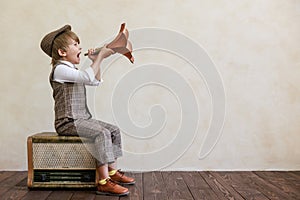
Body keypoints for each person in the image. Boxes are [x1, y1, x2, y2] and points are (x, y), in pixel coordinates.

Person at [40, 25, 135, 196]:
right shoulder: (60, 70)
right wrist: (101, 56)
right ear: (62, 52)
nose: (80, 48)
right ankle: (103, 182)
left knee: (113, 130)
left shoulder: (70, 70)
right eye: (76, 44)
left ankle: (112, 173)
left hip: (81, 120)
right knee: (102, 133)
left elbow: (95, 81)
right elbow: (87, 77)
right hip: (68, 122)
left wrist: (95, 61)